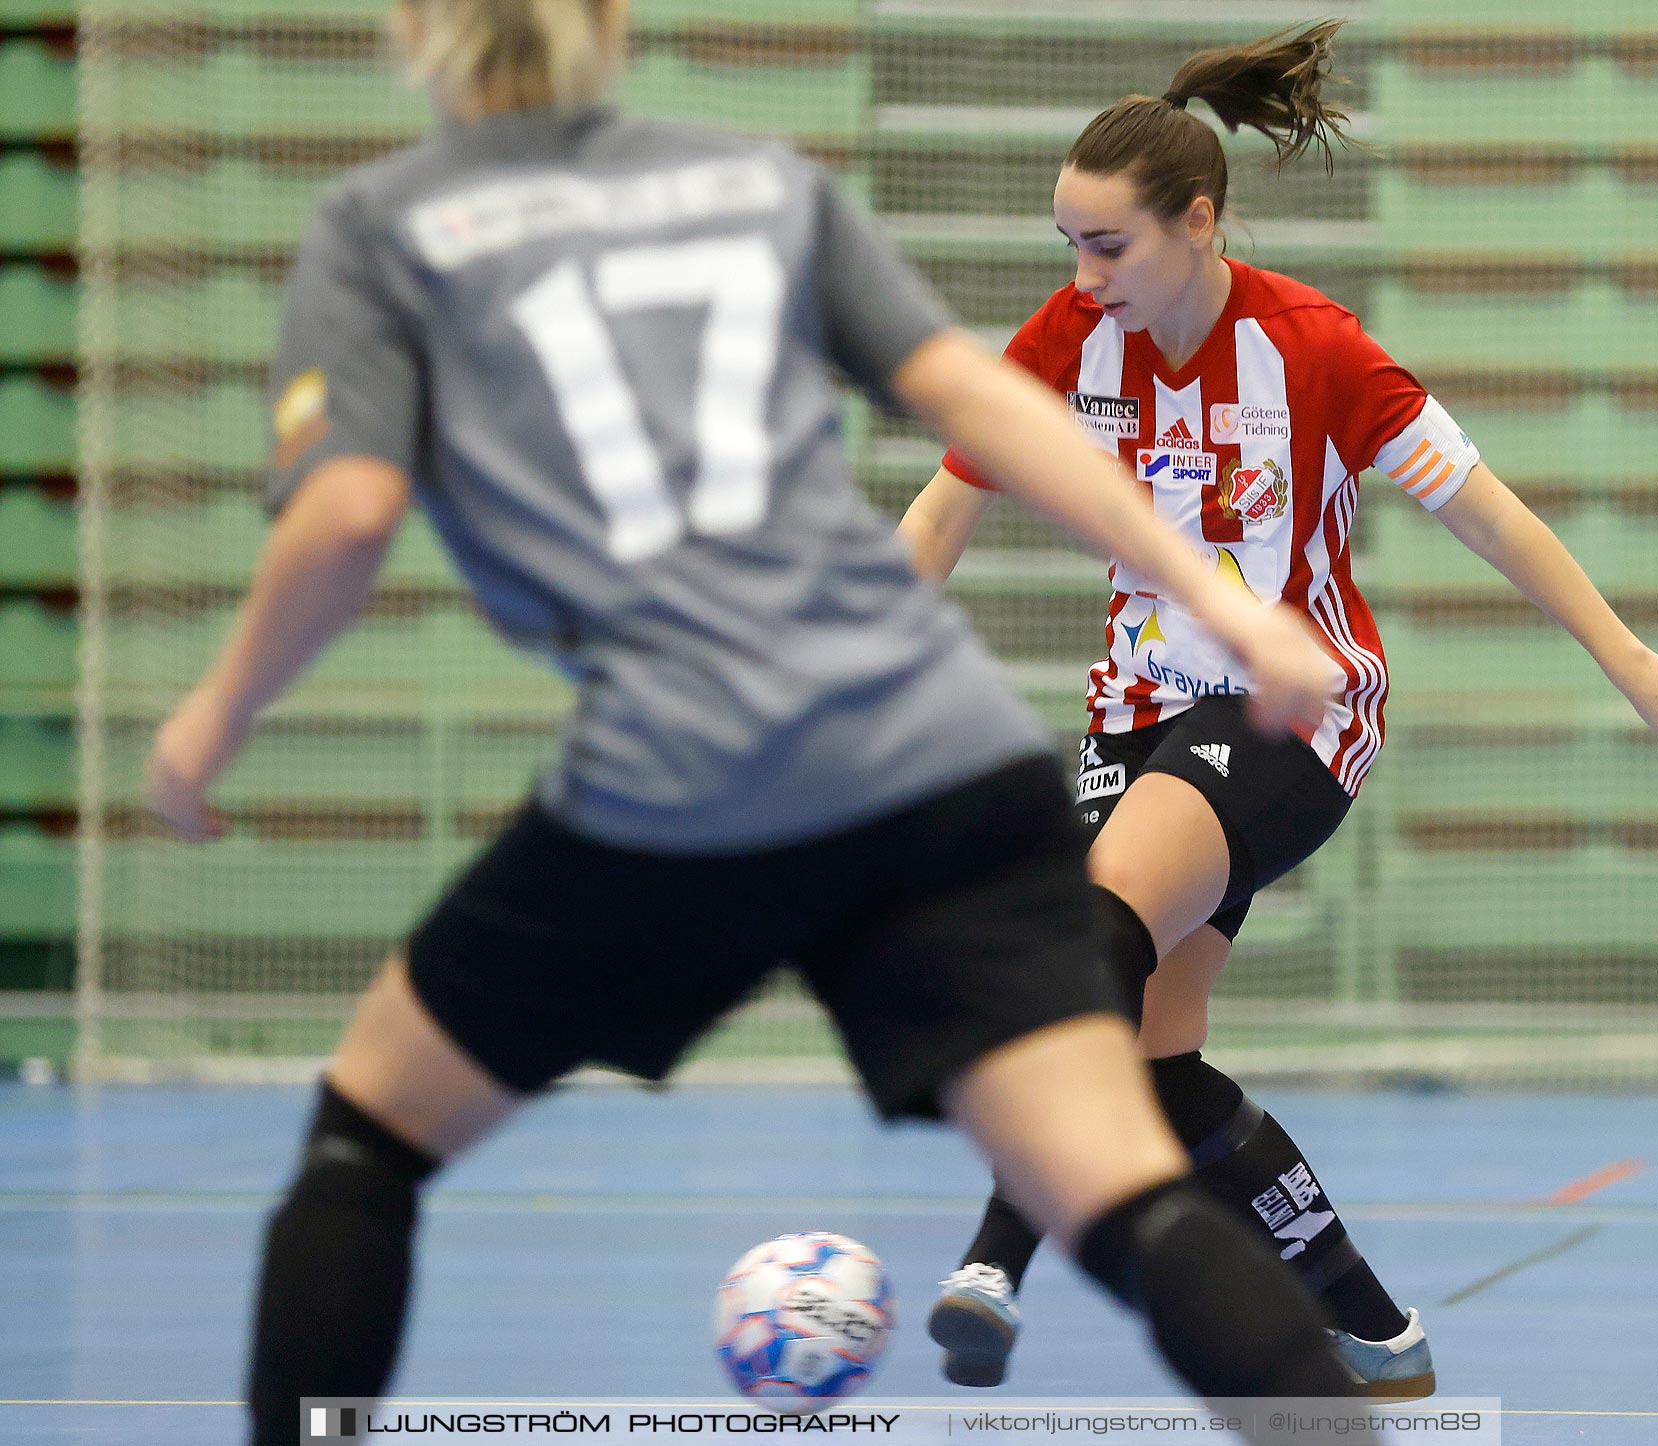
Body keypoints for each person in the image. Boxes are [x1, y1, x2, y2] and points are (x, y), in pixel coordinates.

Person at [142, 3, 1392, 1442]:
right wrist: (1225, 607)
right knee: (1122, 1197)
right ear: (613, 25)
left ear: (413, 30)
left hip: (685, 765)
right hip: (938, 750)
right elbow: (991, 412)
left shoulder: (380, 228)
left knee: (365, 1139)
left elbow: (349, 512)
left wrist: (215, 714)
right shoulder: (758, 182)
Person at [901, 18, 1658, 1399]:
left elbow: (1497, 519)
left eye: (1106, 244)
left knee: (1089, 922)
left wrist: (1633, 664)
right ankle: (1372, 1321)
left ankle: (997, 1255)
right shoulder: (1073, 334)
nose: (1080, 273)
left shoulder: (1315, 349)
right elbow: (948, 501)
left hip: (1296, 705)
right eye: (1066, 242)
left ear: (1199, 220)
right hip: (1135, 710)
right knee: (1157, 1061)